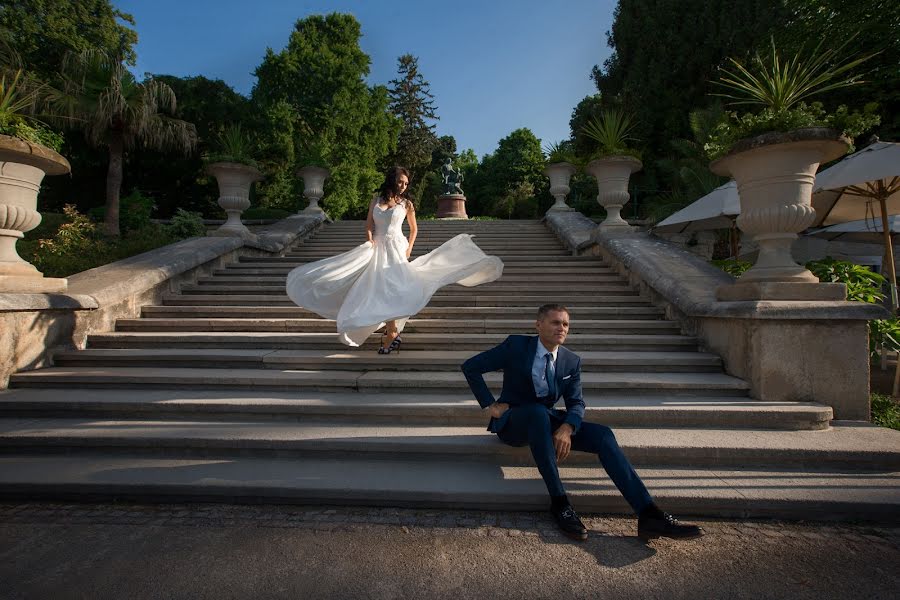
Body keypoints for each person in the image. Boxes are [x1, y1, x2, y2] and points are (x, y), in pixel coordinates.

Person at [461, 303, 703, 542]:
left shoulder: (570, 361)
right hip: (514, 423)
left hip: (546, 419)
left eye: (565, 324)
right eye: (555, 322)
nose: (562, 328)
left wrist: (567, 427)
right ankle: (560, 504)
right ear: (538, 324)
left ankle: (649, 513)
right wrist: (490, 405)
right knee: (535, 413)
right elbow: (471, 367)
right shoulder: (516, 345)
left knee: (603, 435)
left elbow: (576, 402)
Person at [286, 166, 503, 352]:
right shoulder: (376, 199)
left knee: (391, 288)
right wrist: (370, 241)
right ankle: (392, 333)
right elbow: (369, 225)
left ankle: (391, 334)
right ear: (392, 180)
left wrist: (408, 248)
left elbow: (414, 229)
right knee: (378, 289)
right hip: (378, 248)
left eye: (406, 183)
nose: (403, 186)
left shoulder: (406, 204)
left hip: (397, 248)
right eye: (400, 182)